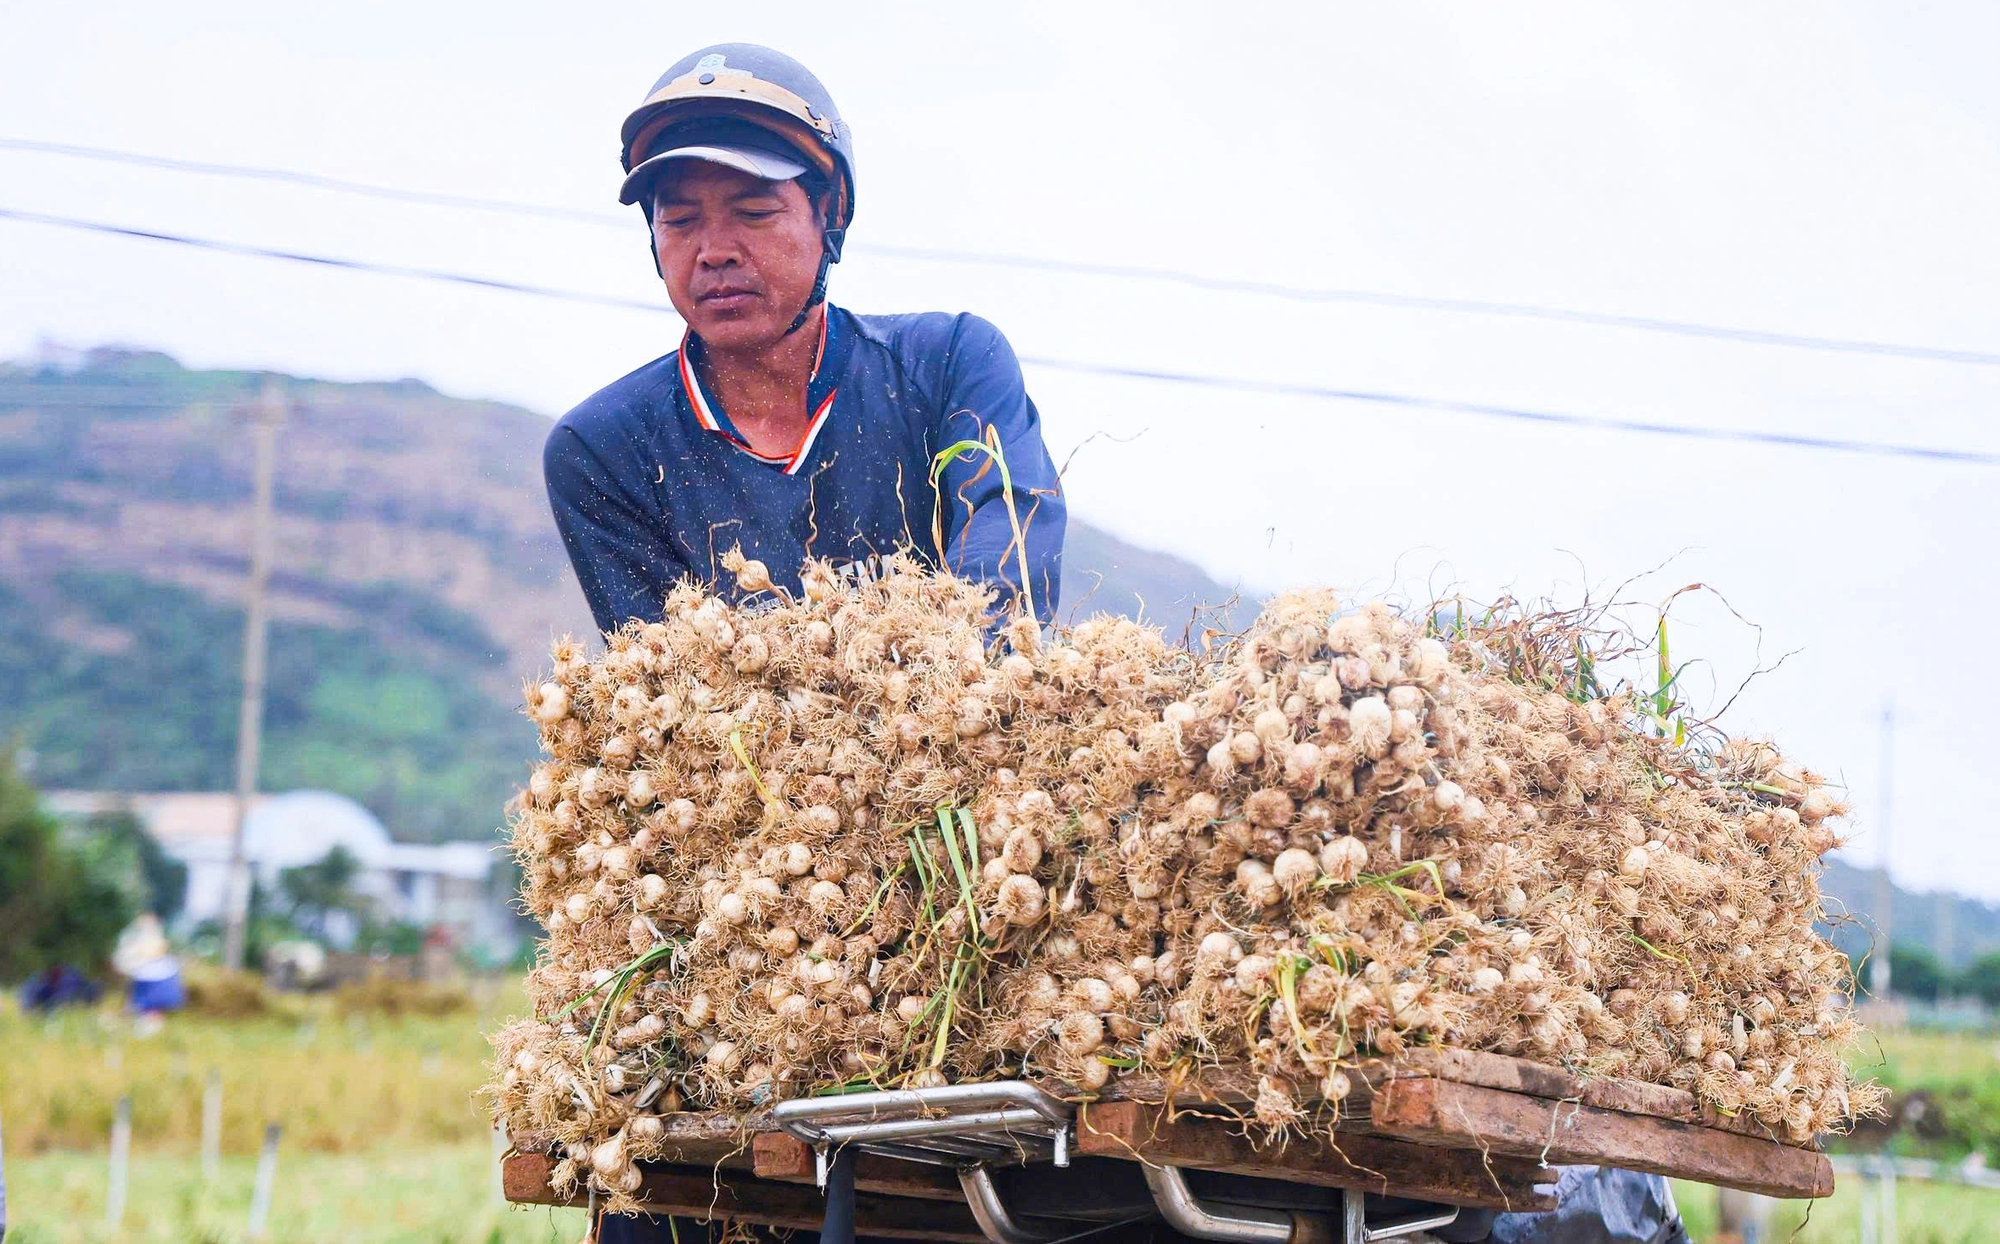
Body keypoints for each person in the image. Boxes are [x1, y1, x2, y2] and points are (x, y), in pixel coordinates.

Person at [544, 43, 1064, 638]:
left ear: (830, 212)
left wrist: (949, 682)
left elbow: (1005, 584)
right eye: (680, 221)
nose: (714, 251)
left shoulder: (947, 363)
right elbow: (666, 691)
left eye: (755, 212)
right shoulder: (604, 450)